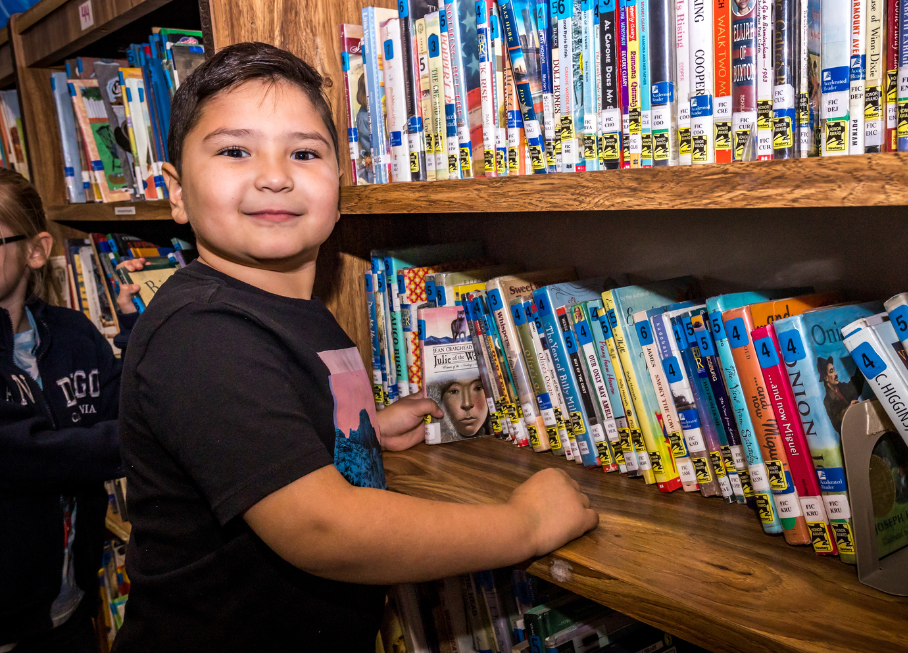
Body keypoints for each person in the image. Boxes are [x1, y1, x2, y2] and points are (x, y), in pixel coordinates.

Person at [115, 42, 598, 651]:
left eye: (304, 152)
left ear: (339, 186)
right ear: (176, 192)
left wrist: (355, 430)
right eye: (235, 150)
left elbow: (268, 422)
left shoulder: (288, 309)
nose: (274, 173)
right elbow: (325, 527)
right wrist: (524, 525)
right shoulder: (200, 335)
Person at [0, 169, 143, 652]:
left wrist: (137, 334)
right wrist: (151, 436)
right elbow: (26, 455)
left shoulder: (74, 333)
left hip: (70, 602)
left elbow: (121, 402)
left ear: (36, 251)